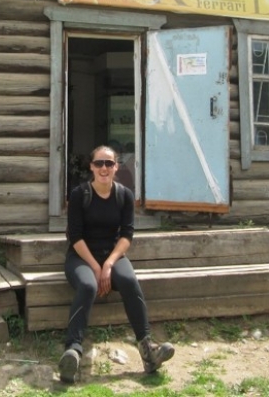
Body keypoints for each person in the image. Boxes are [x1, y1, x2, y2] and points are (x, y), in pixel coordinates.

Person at [58, 145, 174, 383]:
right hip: (81, 256)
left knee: (130, 281)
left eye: (109, 164)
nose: (104, 168)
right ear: (91, 167)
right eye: (99, 163)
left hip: (112, 255)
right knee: (89, 286)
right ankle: (73, 351)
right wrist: (96, 267)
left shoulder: (124, 195)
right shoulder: (80, 195)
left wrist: (109, 264)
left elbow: (126, 236)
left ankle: (148, 350)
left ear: (116, 167)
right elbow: (75, 236)